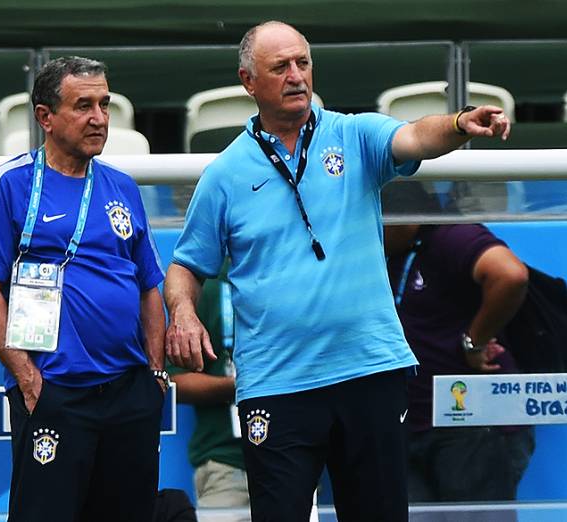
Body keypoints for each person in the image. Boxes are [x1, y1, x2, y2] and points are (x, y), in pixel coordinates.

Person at [163, 20, 511, 522]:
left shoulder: (353, 135)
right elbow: (185, 267)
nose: (296, 75)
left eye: (302, 62)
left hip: (368, 370)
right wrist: (183, 312)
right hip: (277, 385)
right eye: (279, 66)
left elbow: (415, 137)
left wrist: (458, 124)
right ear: (248, 81)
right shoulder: (224, 174)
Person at [0, 56, 168, 522]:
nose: (99, 118)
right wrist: (29, 379)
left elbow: (149, 286)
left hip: (128, 393)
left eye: (105, 104)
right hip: (55, 391)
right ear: (44, 117)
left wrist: (155, 376)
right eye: (83, 106)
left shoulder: (123, 187)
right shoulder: (9, 184)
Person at [381, 182, 535, 518]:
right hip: (407, 423)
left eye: (378, 224)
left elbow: (510, 275)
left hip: (469, 425)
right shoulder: (388, 253)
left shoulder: (451, 237)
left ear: (406, 220)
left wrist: (474, 341)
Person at [167, 266, 250, 515]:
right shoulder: (206, 285)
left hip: (293, 456)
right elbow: (173, 382)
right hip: (226, 461)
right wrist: (239, 387)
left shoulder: (291, 280)